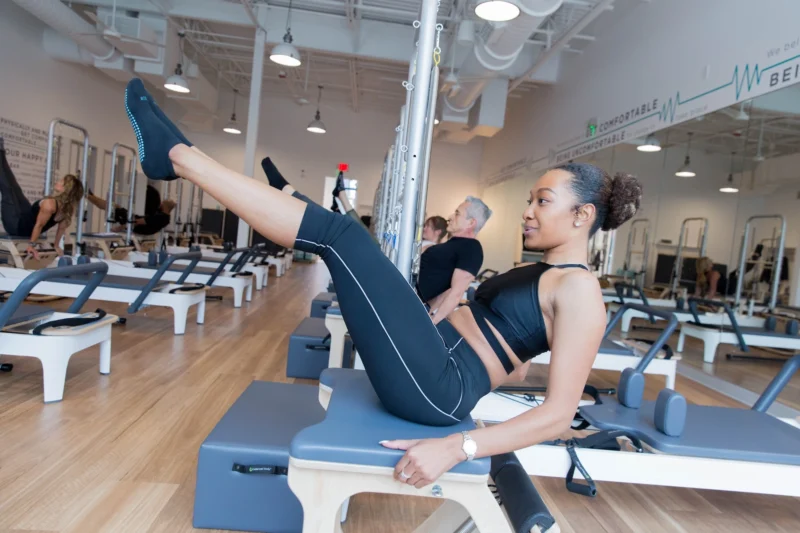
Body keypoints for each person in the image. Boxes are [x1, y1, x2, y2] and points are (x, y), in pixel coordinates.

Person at [123, 77, 642, 489]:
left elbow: (558, 415)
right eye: (530, 200)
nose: (527, 211)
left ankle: (178, 157)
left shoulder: (581, 291)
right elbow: (518, 359)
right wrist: (496, 351)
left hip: (438, 387)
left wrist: (458, 447)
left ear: (582, 216)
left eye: (542, 202)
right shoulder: (550, 275)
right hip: (434, 360)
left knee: (343, 237)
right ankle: (198, 162)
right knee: (351, 240)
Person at [0, 145, 82, 258]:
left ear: (65, 189)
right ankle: (1, 151)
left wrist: (31, 245)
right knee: (15, 187)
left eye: (61, 181)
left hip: (16, 226)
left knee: (8, 190)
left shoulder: (50, 205)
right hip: (23, 217)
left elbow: (39, 225)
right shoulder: (67, 209)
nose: (58, 182)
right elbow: (61, 229)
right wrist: (56, 245)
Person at [417, 198, 489, 324]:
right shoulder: (452, 244)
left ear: (471, 222)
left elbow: (456, 293)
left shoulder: (472, 248)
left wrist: (432, 321)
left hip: (411, 298)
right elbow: (443, 292)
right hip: (408, 294)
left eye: (457, 214)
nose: (450, 217)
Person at [85, 184, 164, 228]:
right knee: (112, 206)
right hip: (131, 217)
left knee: (111, 207)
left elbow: (137, 222)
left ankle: (88, 195)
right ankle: (90, 196)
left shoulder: (158, 218)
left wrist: (120, 228)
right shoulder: (156, 217)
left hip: (129, 218)